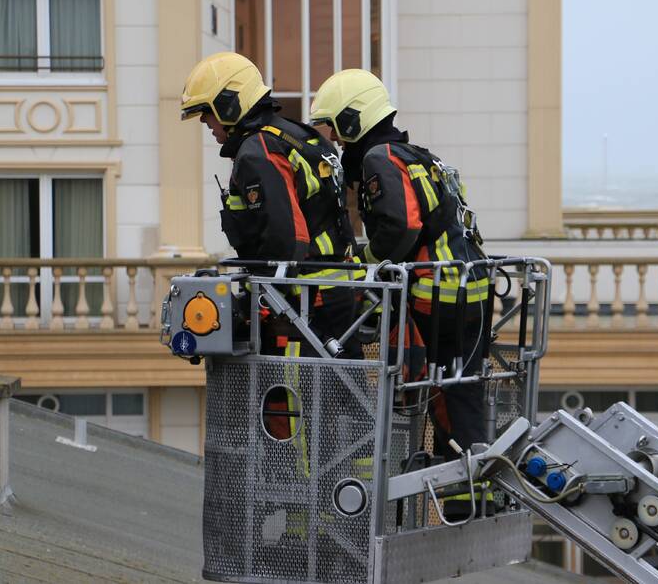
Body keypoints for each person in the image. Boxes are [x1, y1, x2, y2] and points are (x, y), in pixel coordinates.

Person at [310, 69, 492, 518]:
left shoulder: (380, 158)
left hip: (439, 294)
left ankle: (464, 494)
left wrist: (365, 261)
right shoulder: (420, 157)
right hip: (472, 289)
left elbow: (401, 226)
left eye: (336, 130)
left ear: (353, 120)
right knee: (461, 387)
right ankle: (472, 492)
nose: (337, 143)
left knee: (445, 390)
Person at [180, 51, 359, 359]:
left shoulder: (258, 151)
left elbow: (283, 238)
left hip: (302, 302)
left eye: (206, 111)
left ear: (228, 104)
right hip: (333, 292)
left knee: (293, 384)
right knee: (341, 384)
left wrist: (258, 299)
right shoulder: (295, 135)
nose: (205, 121)